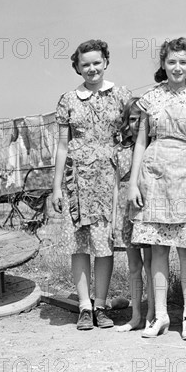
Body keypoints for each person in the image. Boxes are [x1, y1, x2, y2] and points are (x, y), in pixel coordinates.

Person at [128, 37, 186, 340]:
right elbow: (140, 141)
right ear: (163, 64)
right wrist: (133, 181)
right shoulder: (151, 97)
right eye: (172, 61)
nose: (177, 67)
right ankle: (161, 314)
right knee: (158, 247)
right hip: (154, 174)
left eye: (183, 62)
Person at [52, 39, 131, 330]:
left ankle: (101, 305)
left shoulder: (121, 95)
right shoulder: (68, 100)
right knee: (79, 244)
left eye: (96, 62)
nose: (92, 68)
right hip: (77, 180)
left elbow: (133, 135)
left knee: (104, 244)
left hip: (109, 179)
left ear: (106, 62)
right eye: (85, 64)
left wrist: (126, 169)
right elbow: (62, 145)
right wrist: (57, 186)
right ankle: (84, 307)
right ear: (77, 67)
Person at [115, 97, 155, 332]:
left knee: (150, 264)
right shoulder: (120, 150)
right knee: (133, 266)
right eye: (130, 119)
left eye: (139, 119)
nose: (135, 124)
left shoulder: (152, 148)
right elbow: (114, 184)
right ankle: (135, 315)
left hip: (147, 207)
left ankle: (151, 313)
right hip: (125, 210)